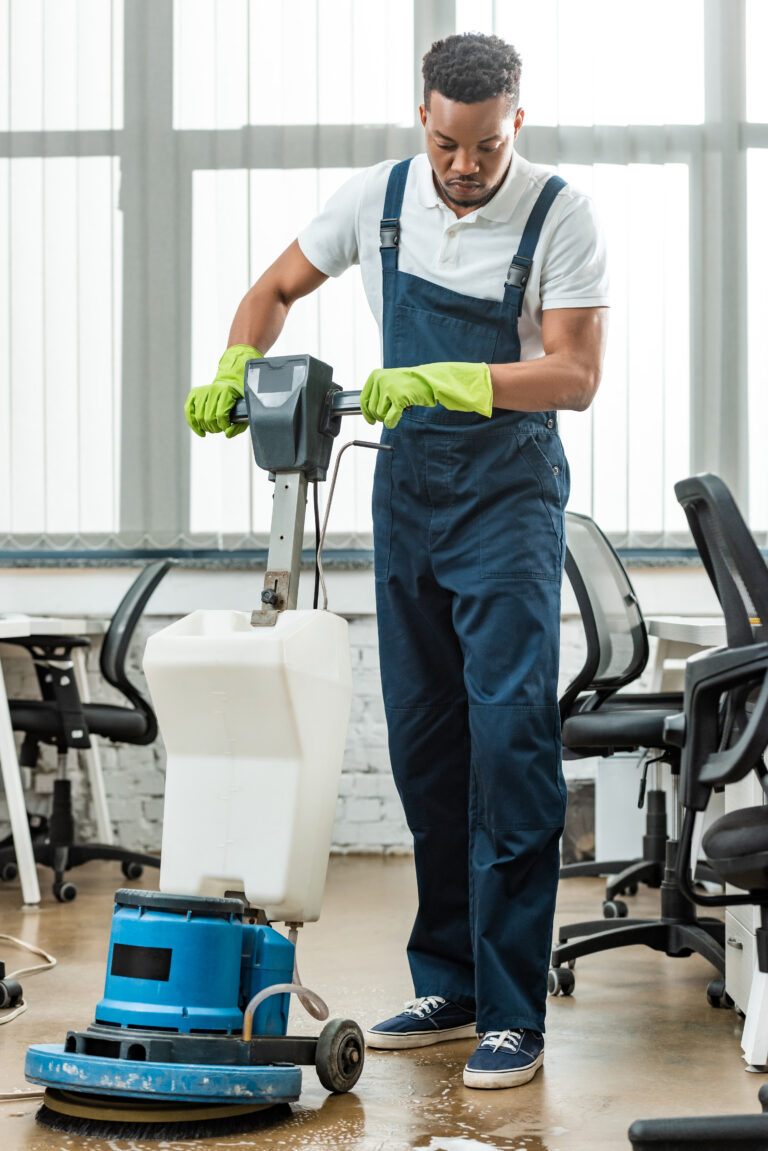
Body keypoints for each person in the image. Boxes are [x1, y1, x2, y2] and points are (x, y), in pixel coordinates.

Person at [185, 32, 609, 1091]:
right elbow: (274, 287)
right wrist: (239, 356)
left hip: (508, 500)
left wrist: (450, 380)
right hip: (407, 496)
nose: (463, 167)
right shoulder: (376, 199)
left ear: (519, 117)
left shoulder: (561, 212)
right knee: (426, 745)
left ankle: (514, 1010)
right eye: (448, 144)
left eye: (484, 145)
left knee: (510, 743)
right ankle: (450, 980)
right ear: (422, 115)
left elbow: (575, 372)